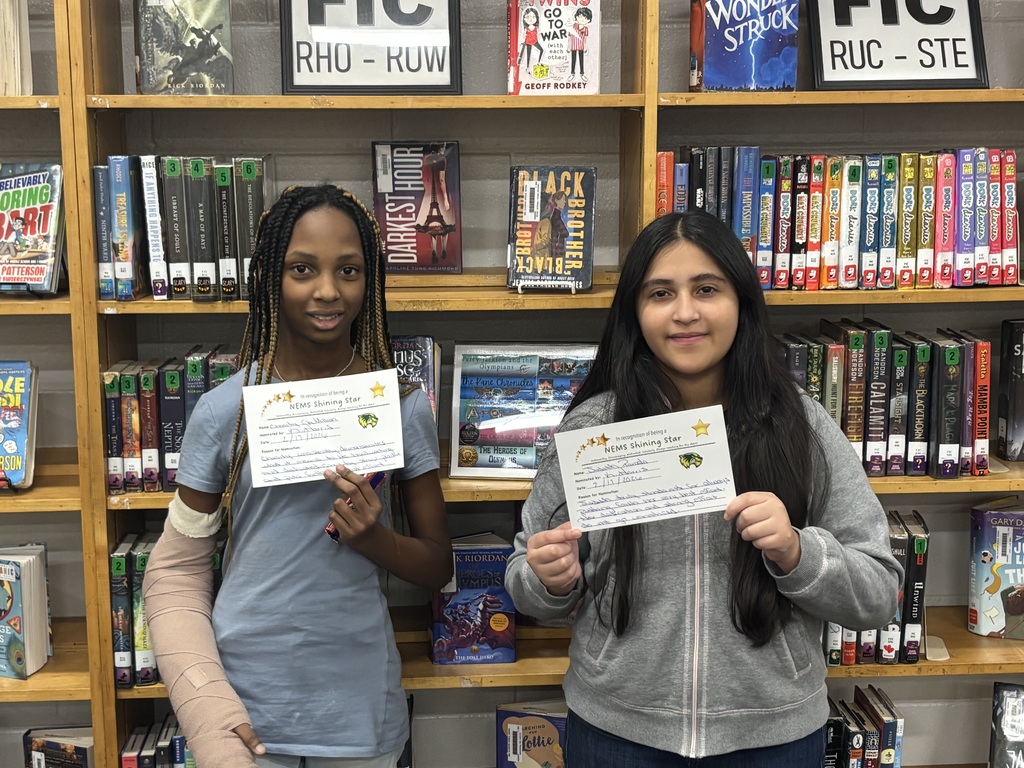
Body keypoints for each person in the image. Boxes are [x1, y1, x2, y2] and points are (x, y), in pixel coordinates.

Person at [505, 210, 902, 767]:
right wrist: (547, 580)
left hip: (774, 738)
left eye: (707, 289)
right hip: (618, 733)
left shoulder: (803, 427)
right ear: (634, 312)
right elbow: (526, 580)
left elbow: (880, 592)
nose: (685, 312)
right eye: (661, 293)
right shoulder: (592, 430)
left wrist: (797, 552)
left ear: (741, 301)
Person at [143, 184, 453, 768]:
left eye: (349, 270)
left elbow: (439, 566)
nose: (328, 290)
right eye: (302, 269)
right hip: (241, 706)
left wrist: (374, 539)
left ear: (371, 279)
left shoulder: (402, 406)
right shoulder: (222, 410)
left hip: (358, 710)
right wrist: (207, 708)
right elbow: (178, 573)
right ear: (267, 278)